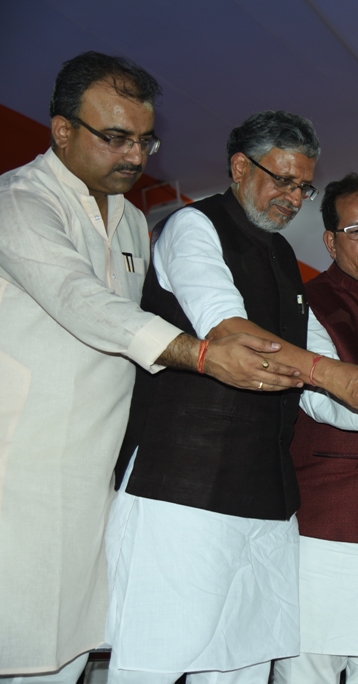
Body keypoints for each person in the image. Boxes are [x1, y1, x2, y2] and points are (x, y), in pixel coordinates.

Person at [0, 53, 299, 683]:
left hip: (99, 476)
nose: (135, 156)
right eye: (116, 138)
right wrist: (202, 354)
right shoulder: (19, 201)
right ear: (61, 131)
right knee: (19, 649)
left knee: (71, 654)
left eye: (145, 140)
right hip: (21, 473)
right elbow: (83, 302)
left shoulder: (134, 221)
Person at [104, 111, 358, 683]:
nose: (293, 197)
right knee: (155, 657)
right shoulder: (192, 227)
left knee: (244, 664)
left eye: (304, 186)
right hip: (182, 484)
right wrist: (336, 374)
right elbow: (228, 332)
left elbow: (313, 390)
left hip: (267, 495)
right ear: (238, 167)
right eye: (283, 179)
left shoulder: (280, 255)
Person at [273, 173, 358, 684]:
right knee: (310, 667)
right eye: (356, 230)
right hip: (325, 514)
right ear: (330, 241)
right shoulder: (306, 302)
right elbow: (320, 401)